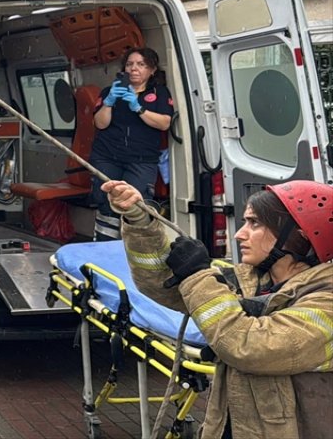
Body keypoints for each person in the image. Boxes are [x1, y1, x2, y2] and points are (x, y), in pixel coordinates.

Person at [105, 179, 333, 439]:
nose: (239, 234)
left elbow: (248, 347)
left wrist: (198, 275)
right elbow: (162, 284)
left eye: (255, 223)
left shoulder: (326, 301)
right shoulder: (250, 280)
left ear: (299, 236)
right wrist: (139, 221)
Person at [89, 47, 172, 240]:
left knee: (136, 204)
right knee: (106, 203)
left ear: (152, 70)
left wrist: (138, 107)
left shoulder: (159, 93)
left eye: (141, 64)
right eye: (129, 64)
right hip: (107, 156)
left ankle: (135, 248)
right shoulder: (109, 91)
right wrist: (109, 102)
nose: (134, 68)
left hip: (142, 159)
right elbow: (100, 123)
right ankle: (105, 245)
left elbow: (164, 123)